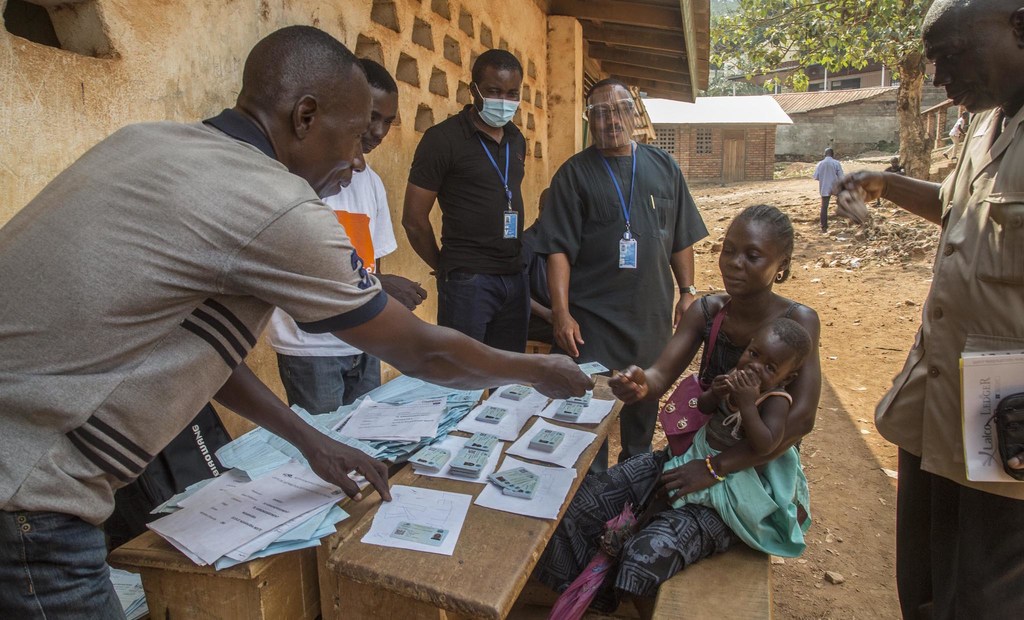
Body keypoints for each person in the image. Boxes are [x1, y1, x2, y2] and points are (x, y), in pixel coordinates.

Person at [0, 27, 591, 618]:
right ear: (305, 116)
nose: (359, 160)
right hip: (30, 492)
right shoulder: (275, 204)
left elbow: (197, 353)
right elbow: (423, 354)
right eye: (358, 137)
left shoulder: (144, 143)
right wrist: (533, 369)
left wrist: (310, 441)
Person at [833, 1, 1024, 616]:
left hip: (1010, 417)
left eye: (950, 55)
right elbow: (956, 204)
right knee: (925, 579)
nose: (940, 77)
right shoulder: (989, 122)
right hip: (942, 399)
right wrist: (881, 182)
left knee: (984, 590)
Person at [535, 205, 821, 615]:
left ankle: (636, 584)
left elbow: (800, 422)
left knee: (643, 554)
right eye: (728, 250)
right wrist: (639, 382)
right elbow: (660, 374)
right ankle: (599, 601)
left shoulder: (797, 324)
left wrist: (714, 468)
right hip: (691, 453)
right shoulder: (708, 312)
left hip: (747, 475)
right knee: (576, 507)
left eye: (752, 256)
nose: (735, 264)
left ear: (781, 265)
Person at [535, 78, 708, 471]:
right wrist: (561, 311)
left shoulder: (663, 166)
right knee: (588, 411)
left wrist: (687, 291)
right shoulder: (573, 175)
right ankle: (590, 494)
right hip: (592, 318)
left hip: (649, 314)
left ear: (634, 113)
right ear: (588, 121)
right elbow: (558, 248)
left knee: (642, 412)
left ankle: (630, 496)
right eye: (600, 113)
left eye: (619, 110)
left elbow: (682, 235)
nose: (611, 120)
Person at [267, 58, 427, 413]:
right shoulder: (300, 177)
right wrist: (378, 285)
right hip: (311, 347)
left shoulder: (371, 183)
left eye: (388, 121)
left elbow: (373, 263)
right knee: (325, 452)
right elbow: (293, 269)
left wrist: (381, 303)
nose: (379, 132)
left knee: (366, 444)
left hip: (364, 343)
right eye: (371, 117)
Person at [403, 49, 530, 353]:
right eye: (494, 91)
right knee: (462, 377)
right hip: (469, 281)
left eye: (512, 93)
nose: (504, 101)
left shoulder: (516, 139)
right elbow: (413, 219)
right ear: (473, 90)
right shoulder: (442, 139)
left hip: (514, 277)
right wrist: (446, 267)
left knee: (508, 375)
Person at [520, 188, 554, 345]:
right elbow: (517, 293)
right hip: (533, 320)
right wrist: (547, 314)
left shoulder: (557, 244)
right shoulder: (526, 243)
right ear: (543, 209)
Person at [813, 147, 844, 232]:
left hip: (824, 188)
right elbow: (841, 177)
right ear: (833, 155)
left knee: (824, 207)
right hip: (835, 187)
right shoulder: (836, 163)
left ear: (824, 154)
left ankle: (824, 227)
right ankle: (844, 220)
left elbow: (816, 177)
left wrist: (824, 178)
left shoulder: (820, 164)